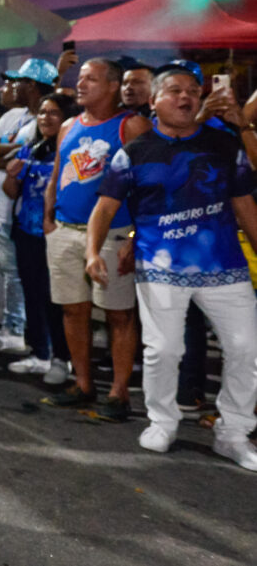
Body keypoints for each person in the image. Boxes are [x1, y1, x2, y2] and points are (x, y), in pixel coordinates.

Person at [86, 68, 257, 470]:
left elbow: (245, 206)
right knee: (164, 349)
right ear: (155, 101)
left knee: (247, 348)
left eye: (193, 92)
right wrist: (92, 251)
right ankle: (162, 421)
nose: (187, 98)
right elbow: (105, 207)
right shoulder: (134, 151)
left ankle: (233, 433)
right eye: (176, 91)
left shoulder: (224, 144)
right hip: (159, 268)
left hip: (224, 268)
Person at [41, 58, 152, 421]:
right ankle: (83, 383)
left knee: (119, 314)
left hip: (113, 235)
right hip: (65, 231)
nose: (81, 84)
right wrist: (48, 219)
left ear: (112, 86)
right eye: (80, 77)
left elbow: (150, 187)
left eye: (91, 79)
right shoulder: (69, 125)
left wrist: (134, 236)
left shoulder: (132, 126)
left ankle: (119, 393)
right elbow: (58, 173)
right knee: (73, 310)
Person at [2, 94, 77, 384]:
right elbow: (12, 192)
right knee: (33, 295)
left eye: (54, 113)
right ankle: (39, 353)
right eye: (43, 112)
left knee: (56, 300)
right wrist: (11, 177)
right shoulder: (30, 149)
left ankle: (62, 358)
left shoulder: (73, 152)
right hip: (26, 233)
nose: (46, 118)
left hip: (58, 234)